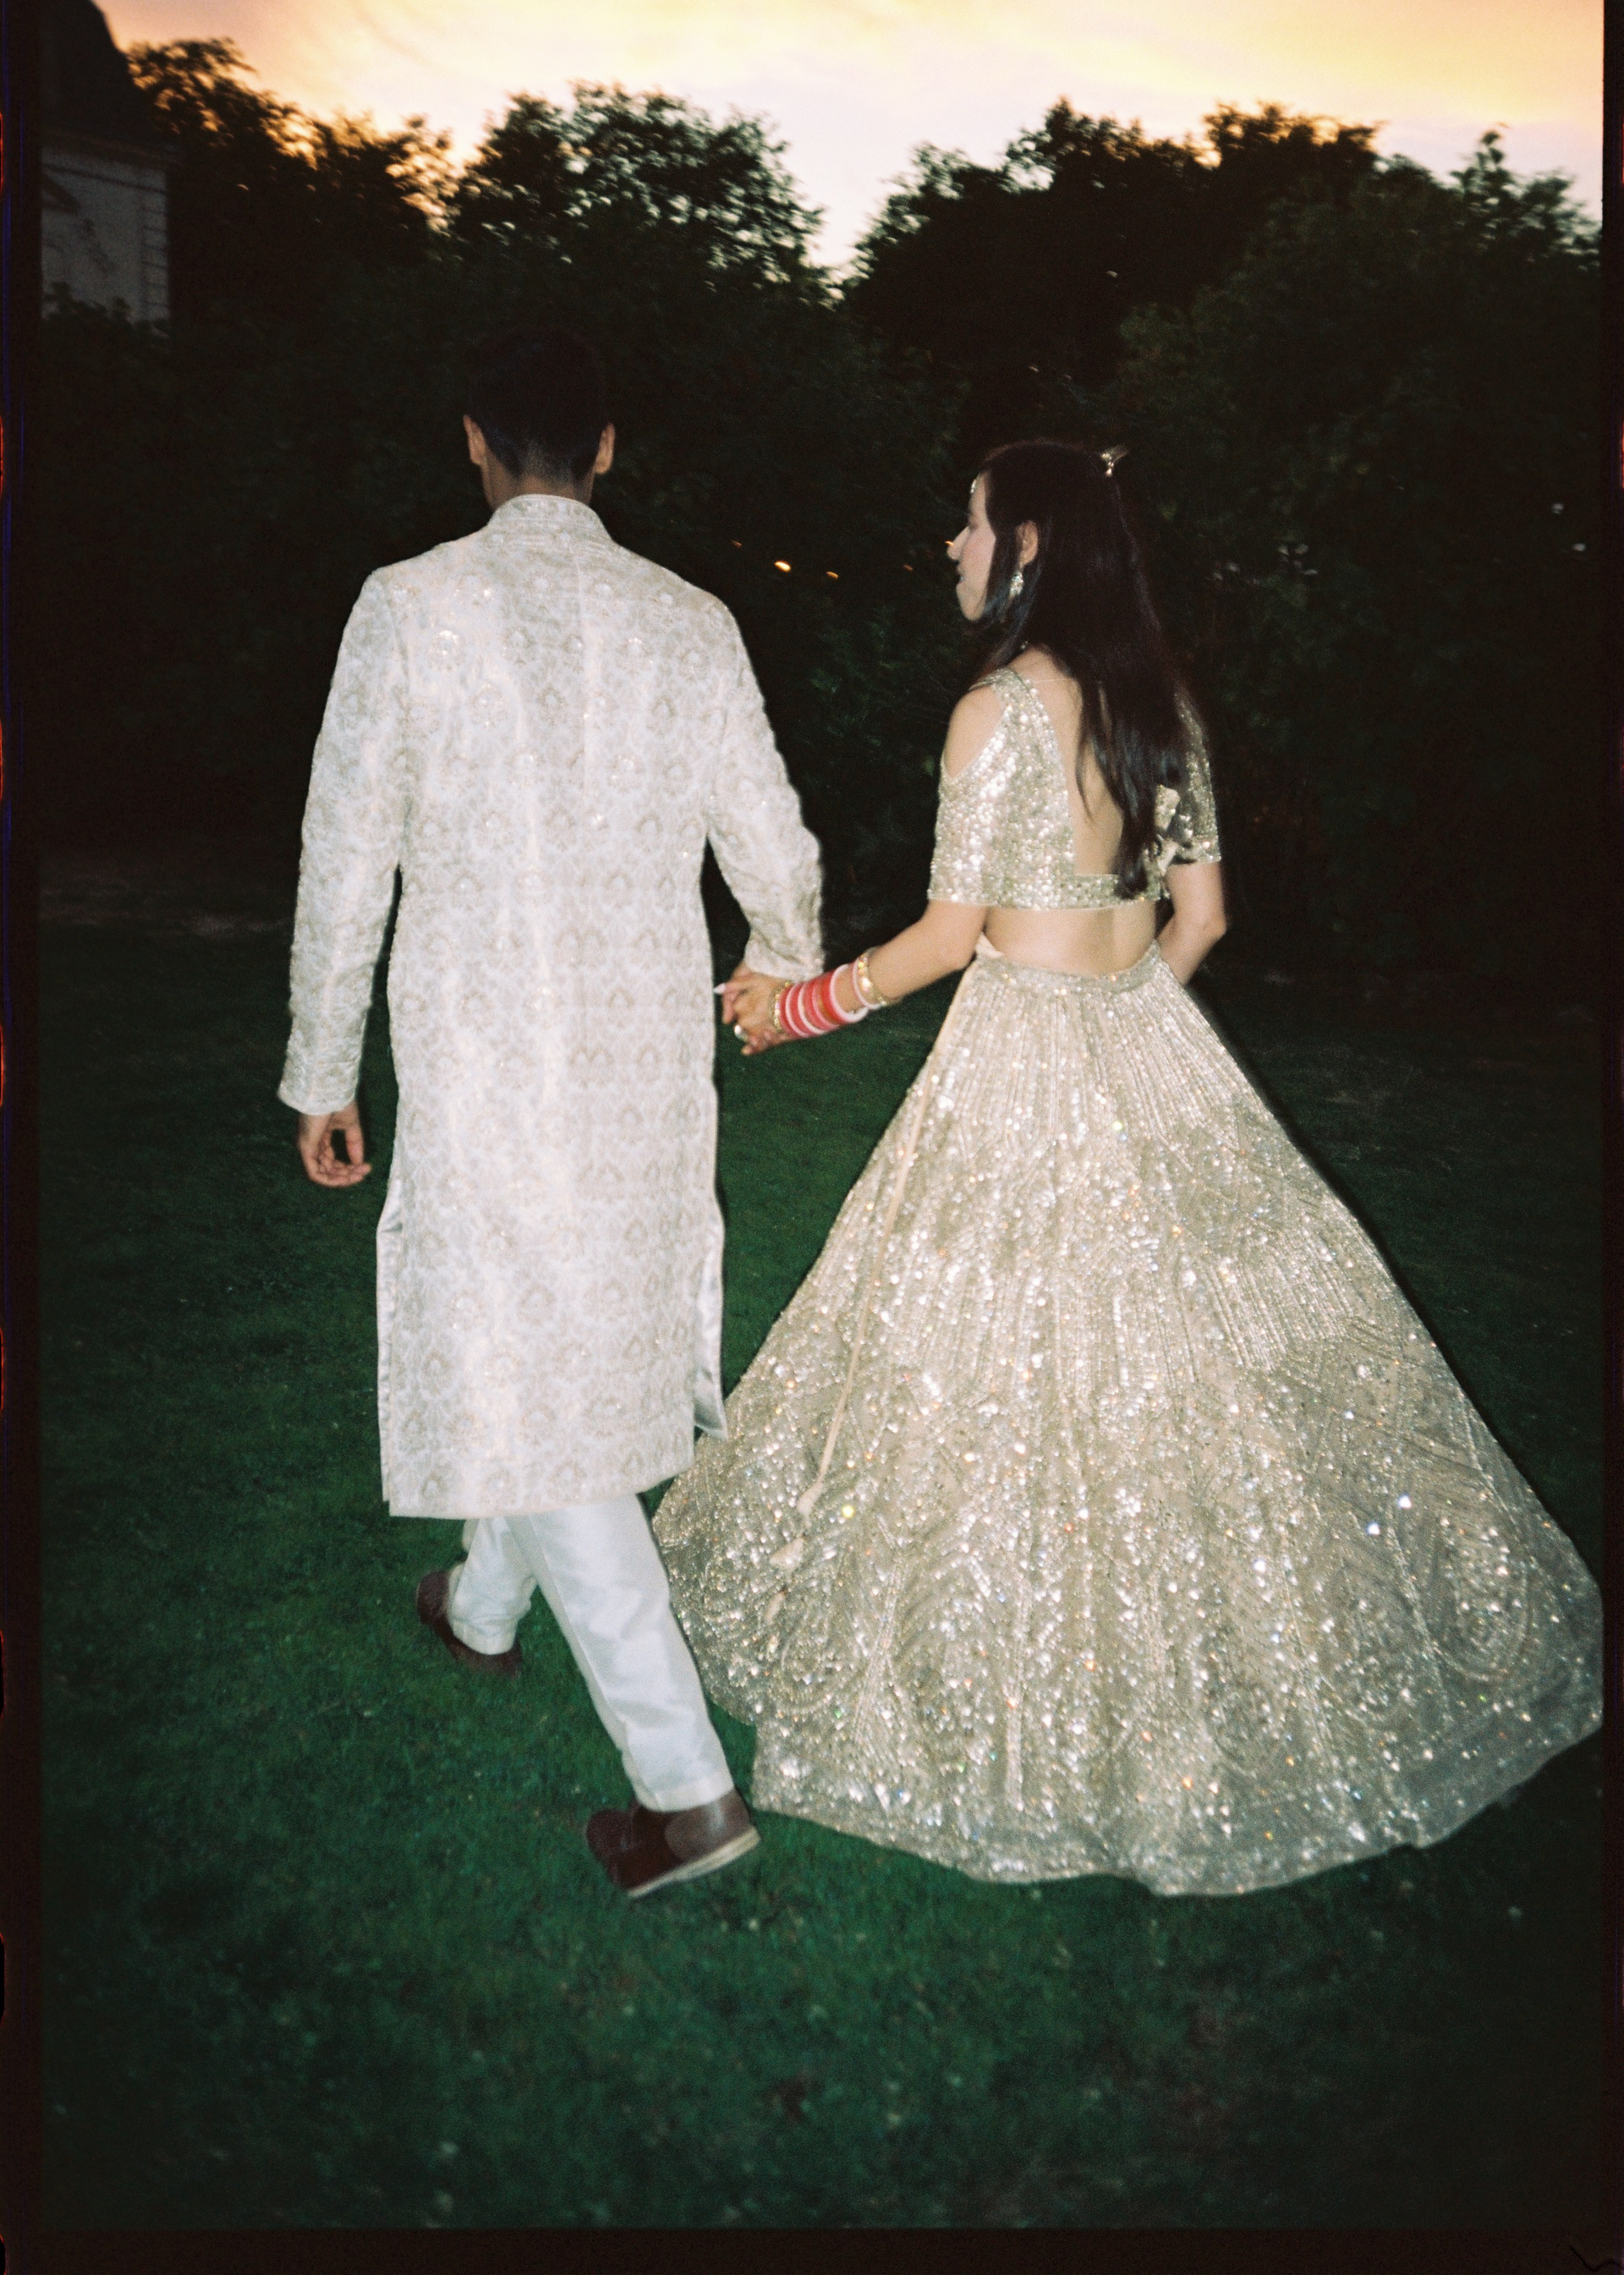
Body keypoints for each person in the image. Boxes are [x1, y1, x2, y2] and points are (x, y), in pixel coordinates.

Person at [652, 438, 1602, 1894]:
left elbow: (950, 936)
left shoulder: (992, 713)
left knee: (985, 1350)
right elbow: (1201, 918)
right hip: (1144, 1030)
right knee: (1193, 1354)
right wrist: (1127, 1019)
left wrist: (800, 1005)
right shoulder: (1163, 704)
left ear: (1027, 541)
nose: (952, 548)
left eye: (969, 524)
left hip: (1023, 1046)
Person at [278, 326, 824, 1898]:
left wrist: (324, 1065)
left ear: (472, 440)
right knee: (555, 1343)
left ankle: (689, 1790)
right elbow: (773, 843)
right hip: (639, 1069)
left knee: (537, 1365)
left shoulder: (408, 606)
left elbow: (345, 857)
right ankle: (482, 1606)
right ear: (607, 448)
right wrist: (780, 964)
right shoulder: (691, 620)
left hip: (485, 1063)